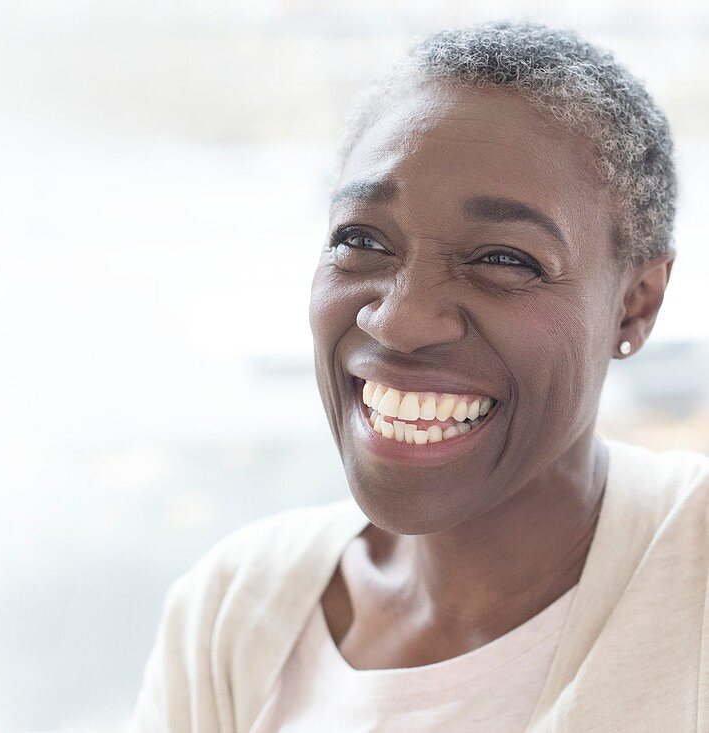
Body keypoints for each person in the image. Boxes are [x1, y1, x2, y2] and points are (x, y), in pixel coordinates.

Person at [129, 20, 709, 733]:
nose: (398, 322)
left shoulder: (692, 571)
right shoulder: (232, 610)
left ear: (635, 302)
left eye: (504, 258)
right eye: (361, 240)